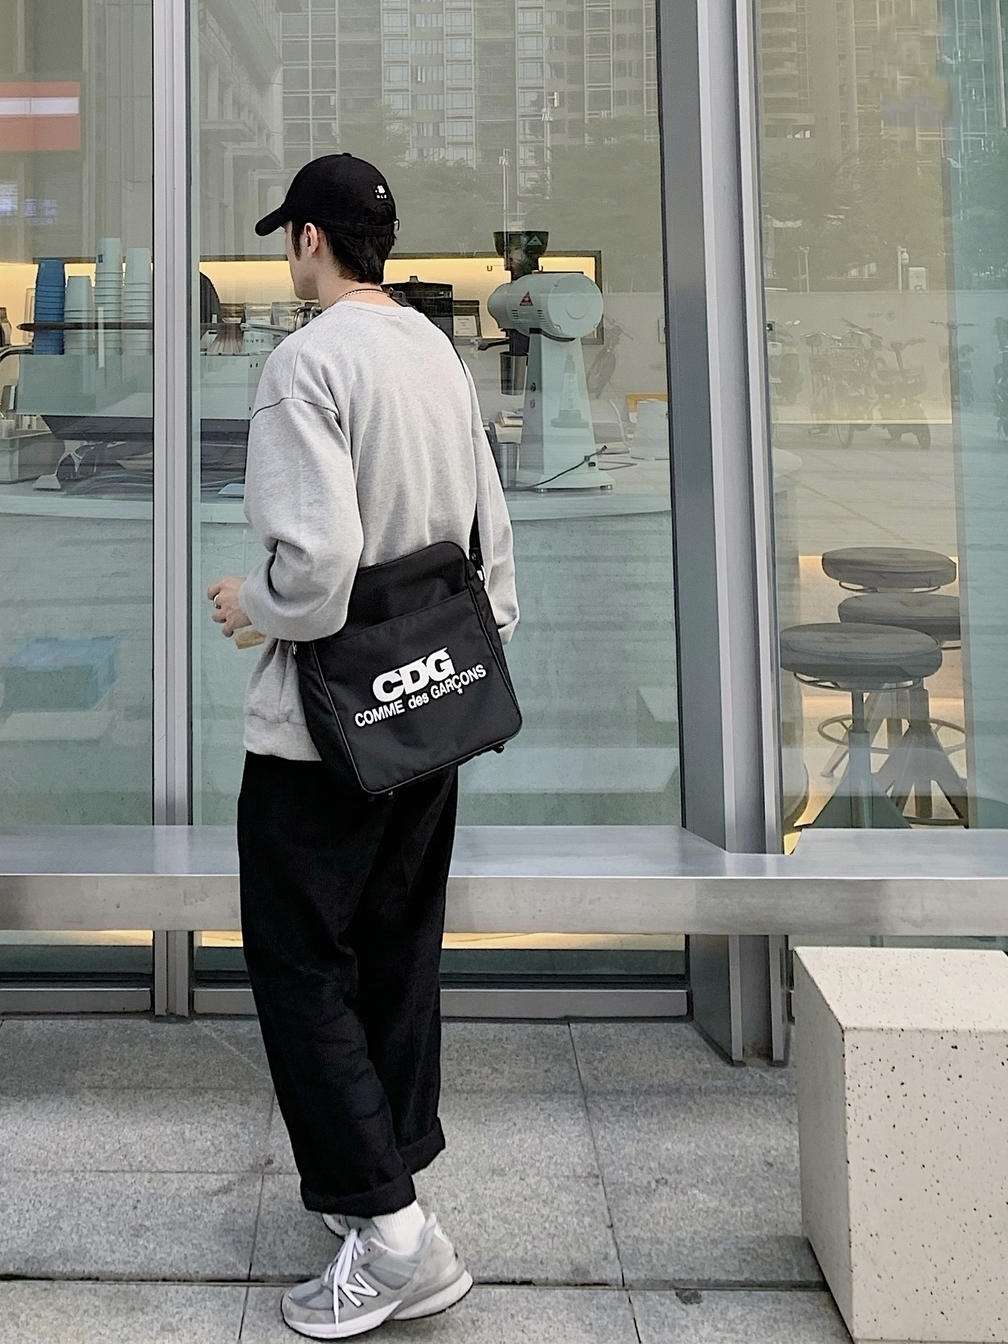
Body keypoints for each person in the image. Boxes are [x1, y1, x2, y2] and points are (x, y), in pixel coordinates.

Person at [206, 153, 519, 1339]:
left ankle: (392, 1236)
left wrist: (256, 605)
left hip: (321, 731)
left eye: (290, 238)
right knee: (395, 951)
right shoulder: (436, 352)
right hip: (429, 711)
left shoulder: (307, 364)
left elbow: (320, 569)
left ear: (309, 241)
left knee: (299, 963)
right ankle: (385, 1183)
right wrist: (457, 654)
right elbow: (492, 543)